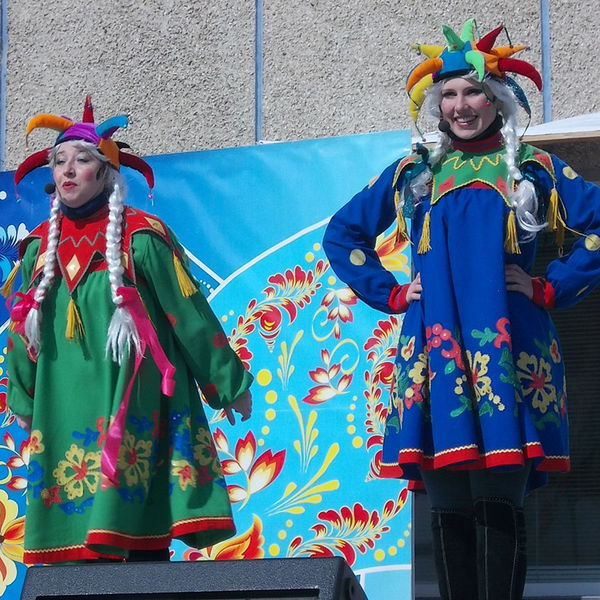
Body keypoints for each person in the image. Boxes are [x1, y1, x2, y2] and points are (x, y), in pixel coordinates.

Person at [323, 19, 600, 600]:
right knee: (447, 496)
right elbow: (343, 233)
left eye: (472, 91)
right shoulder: (416, 170)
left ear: (496, 99)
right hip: (436, 346)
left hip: (509, 346)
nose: (459, 105)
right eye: (447, 94)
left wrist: (549, 287)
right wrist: (391, 292)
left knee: (499, 493)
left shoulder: (532, 167)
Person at [5, 96, 253, 564]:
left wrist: (227, 383)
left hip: (131, 395)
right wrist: (21, 394)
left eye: (82, 160)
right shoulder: (38, 247)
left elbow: (188, 313)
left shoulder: (141, 237)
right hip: (62, 403)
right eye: (59, 161)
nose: (68, 170)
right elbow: (22, 328)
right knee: (72, 557)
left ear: (106, 173)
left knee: (137, 551)